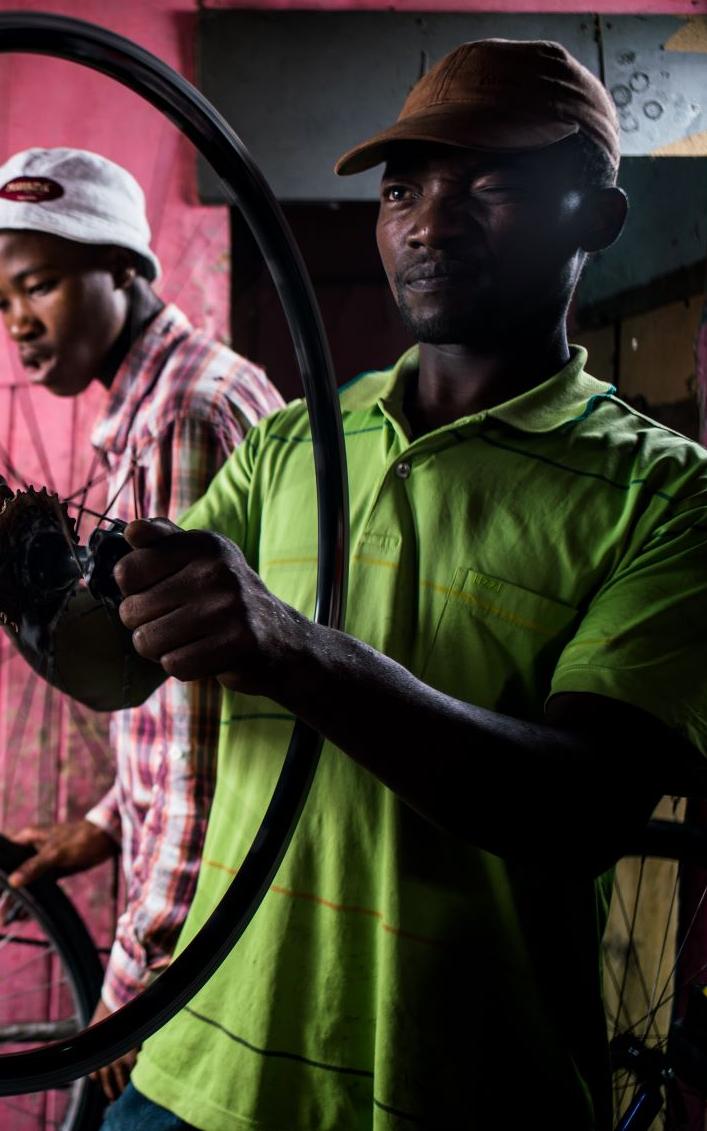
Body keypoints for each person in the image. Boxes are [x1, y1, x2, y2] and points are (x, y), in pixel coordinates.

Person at [16, 40, 707, 1130]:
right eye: (401, 190)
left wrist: (291, 647)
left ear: (595, 219)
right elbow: (117, 668)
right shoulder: (293, 445)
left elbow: (578, 807)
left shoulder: (665, 496)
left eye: (489, 184)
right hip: (198, 1069)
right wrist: (33, 585)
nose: (428, 220)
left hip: (454, 1091)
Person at [0, 147, 283, 1100]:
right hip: (202, 906)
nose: (18, 324)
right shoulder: (159, 404)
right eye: (2, 302)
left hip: (203, 949)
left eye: (37, 284)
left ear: (125, 266)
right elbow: (168, 704)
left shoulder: (181, 422)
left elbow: (206, 732)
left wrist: (138, 982)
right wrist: (101, 823)